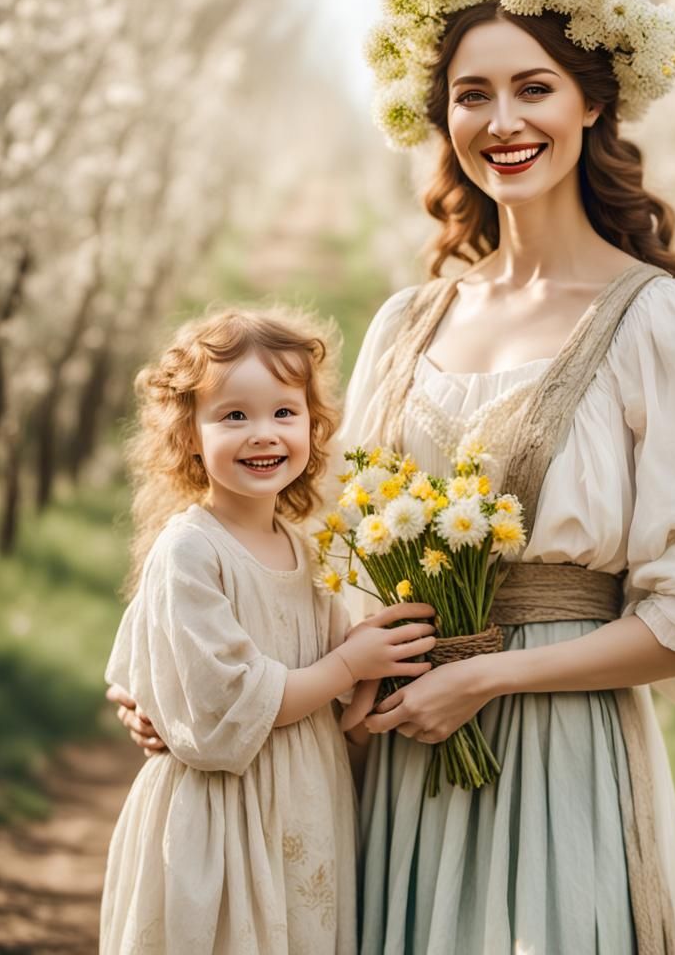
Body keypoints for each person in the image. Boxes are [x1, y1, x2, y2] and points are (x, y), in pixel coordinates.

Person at [112, 0, 675, 954]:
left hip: (557, 759)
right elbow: (314, 556)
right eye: (472, 94)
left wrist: (484, 676)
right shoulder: (405, 323)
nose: (501, 122)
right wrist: (174, 673)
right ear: (443, 115)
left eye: (533, 88)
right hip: (394, 766)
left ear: (593, 103)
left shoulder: (660, 320)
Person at [100, 306, 435, 955]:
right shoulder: (190, 552)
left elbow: (342, 713)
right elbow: (232, 705)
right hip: (223, 821)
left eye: (284, 412)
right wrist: (348, 665)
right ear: (189, 434)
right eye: (234, 416)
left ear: (312, 425)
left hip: (306, 809)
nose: (263, 434)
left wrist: (377, 663)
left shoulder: (308, 553)